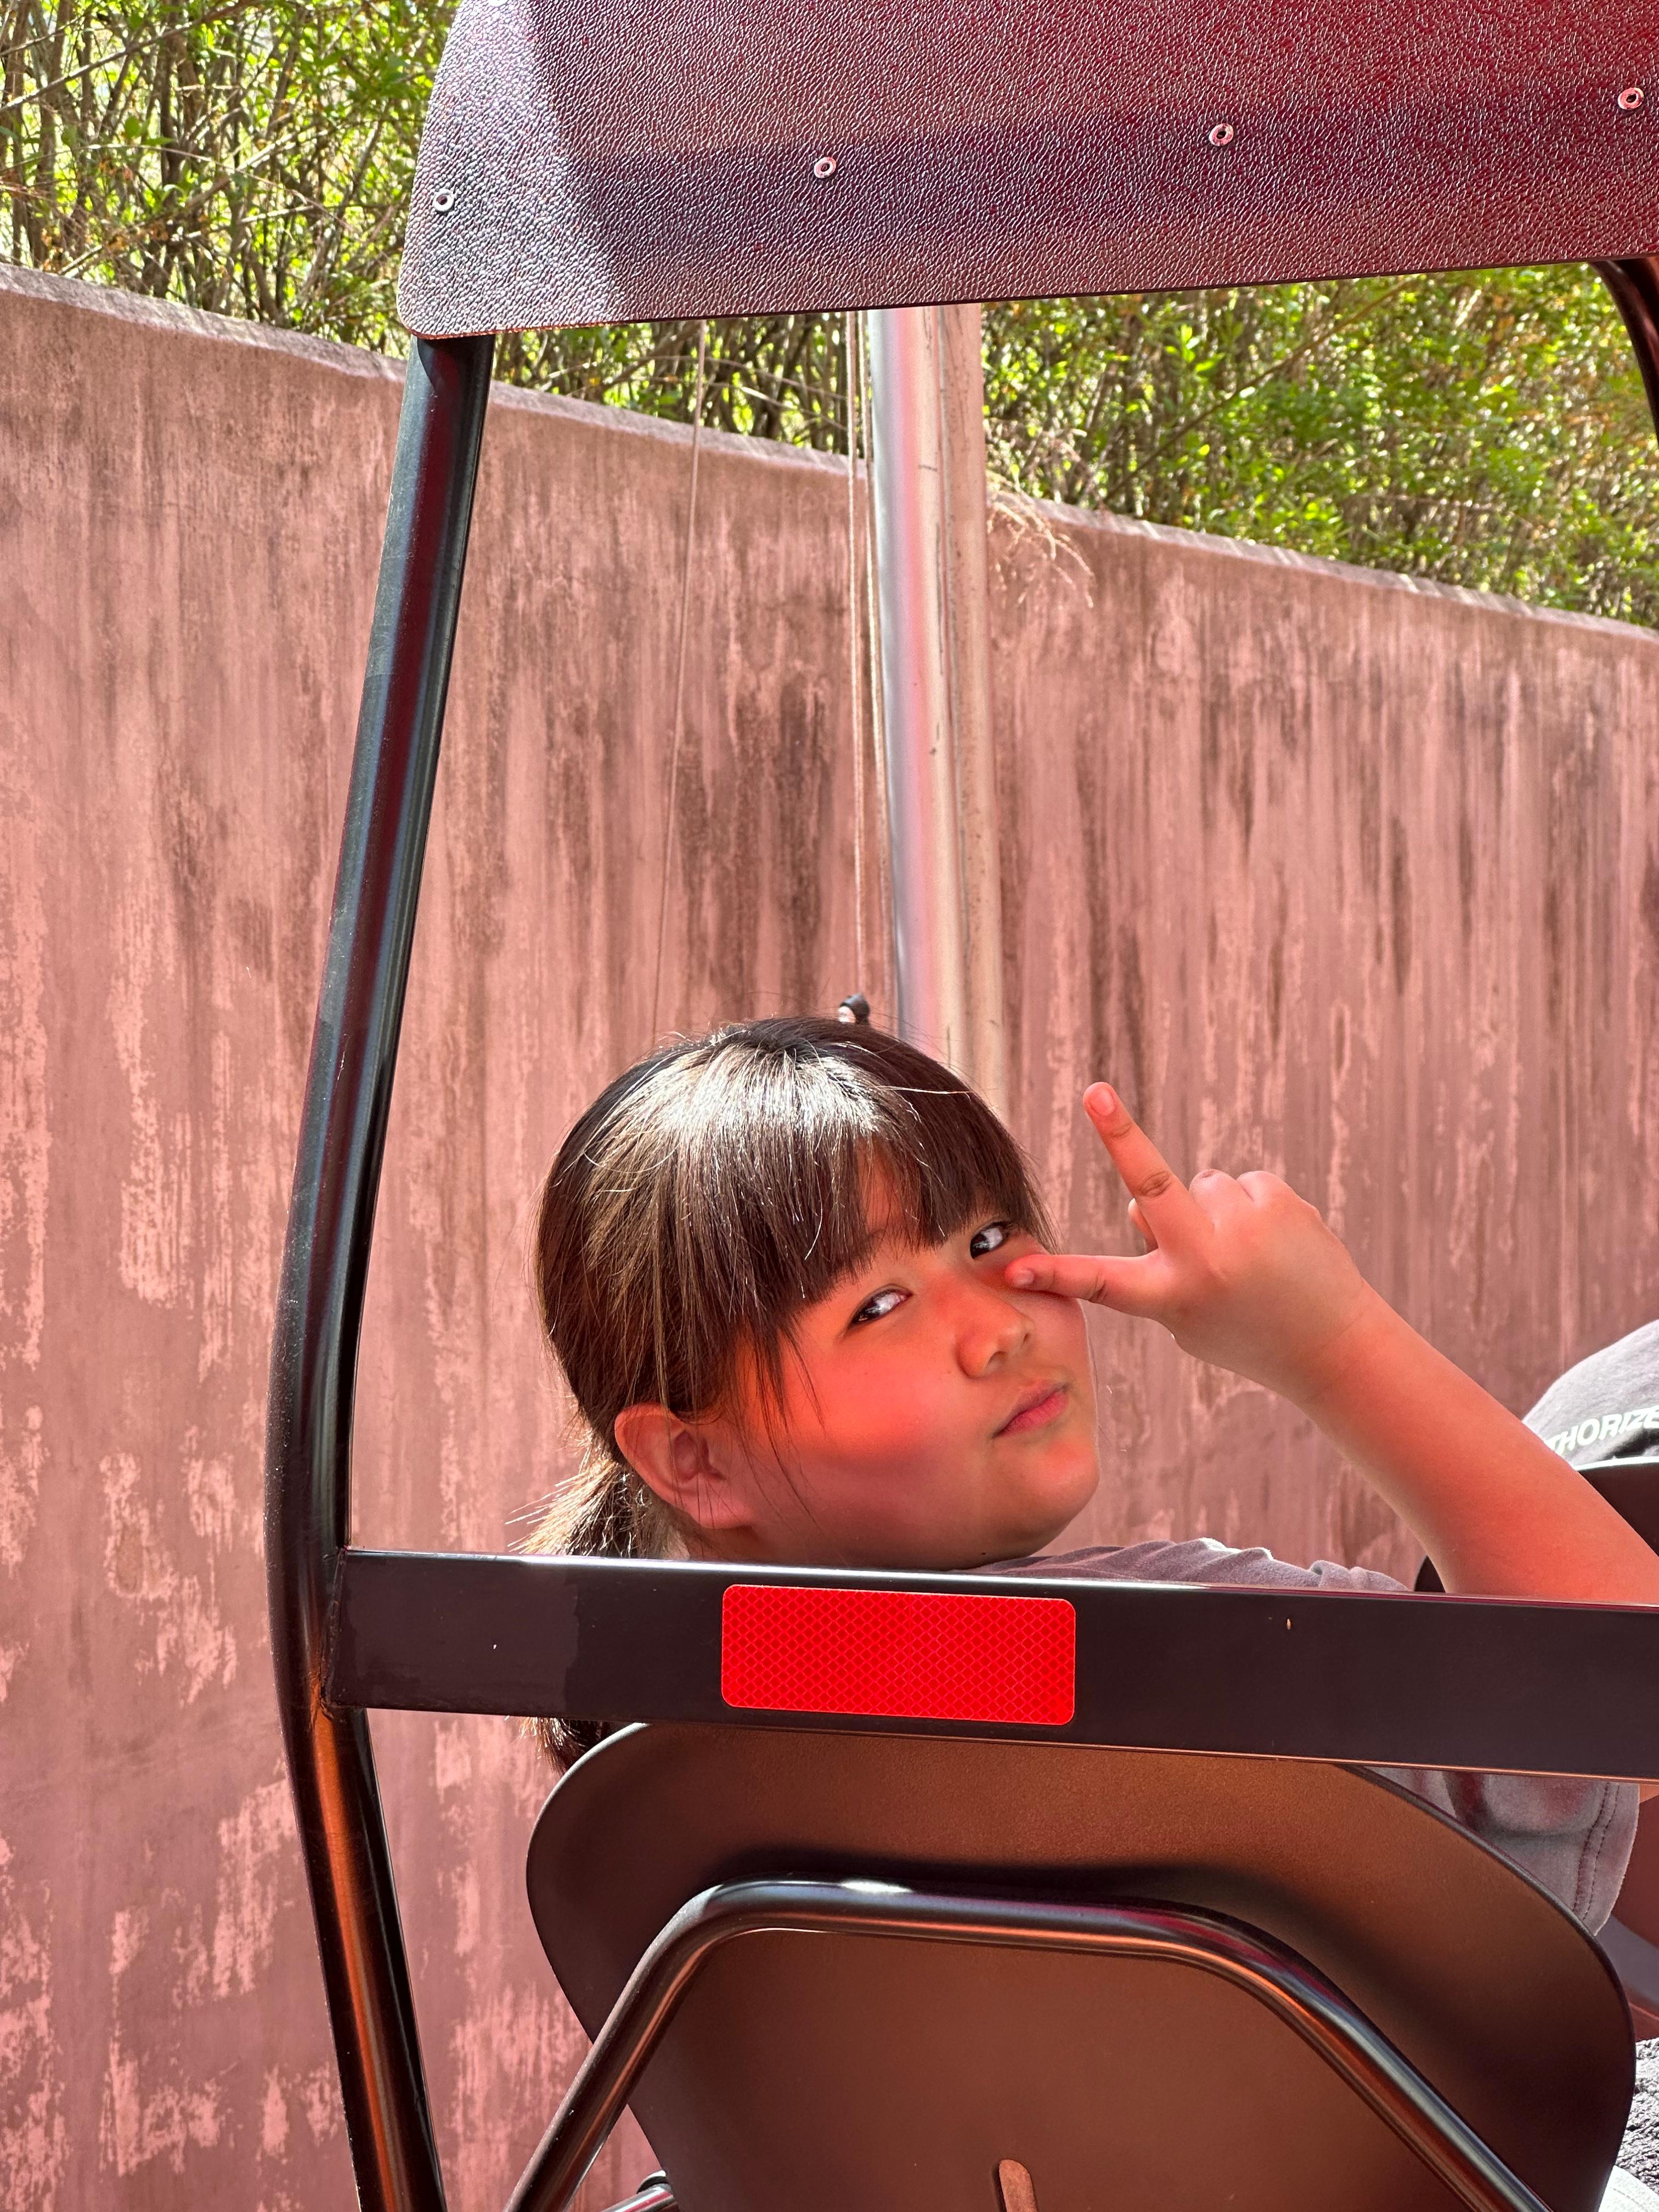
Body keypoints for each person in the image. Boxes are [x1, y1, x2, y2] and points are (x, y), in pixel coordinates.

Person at [523, 1014, 1659, 1930]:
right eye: (880, 1304)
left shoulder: (668, 1751)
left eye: (987, 1243)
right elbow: (1626, 1697)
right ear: (696, 1459)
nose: (999, 1329)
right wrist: (1334, 1344)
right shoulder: (1162, 1655)